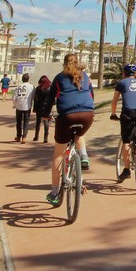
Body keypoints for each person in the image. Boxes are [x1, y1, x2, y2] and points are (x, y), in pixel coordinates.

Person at [42, 53, 94, 205]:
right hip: (87, 114)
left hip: (67, 116)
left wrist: (45, 115)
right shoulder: (85, 75)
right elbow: (91, 94)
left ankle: (54, 193)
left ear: (64, 64)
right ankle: (83, 156)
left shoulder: (59, 77)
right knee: (80, 133)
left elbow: (51, 99)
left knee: (58, 154)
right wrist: (91, 111)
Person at [109, 64, 136, 183]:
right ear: (135, 74)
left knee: (126, 140)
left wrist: (113, 114)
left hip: (128, 112)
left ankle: (127, 170)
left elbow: (114, 101)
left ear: (124, 73)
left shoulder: (121, 83)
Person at [11, 73, 34, 143]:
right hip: (27, 106)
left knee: (18, 122)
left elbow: (13, 98)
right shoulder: (32, 87)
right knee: (26, 122)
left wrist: (15, 105)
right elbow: (33, 97)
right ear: (28, 79)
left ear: (22, 79)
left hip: (19, 106)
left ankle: (18, 137)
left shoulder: (18, 87)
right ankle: (24, 137)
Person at [32, 75, 52, 142]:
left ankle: (36, 136)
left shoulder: (38, 88)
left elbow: (35, 99)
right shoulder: (49, 89)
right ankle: (45, 138)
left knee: (38, 122)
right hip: (47, 107)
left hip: (39, 107)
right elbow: (52, 99)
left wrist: (34, 108)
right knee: (46, 122)